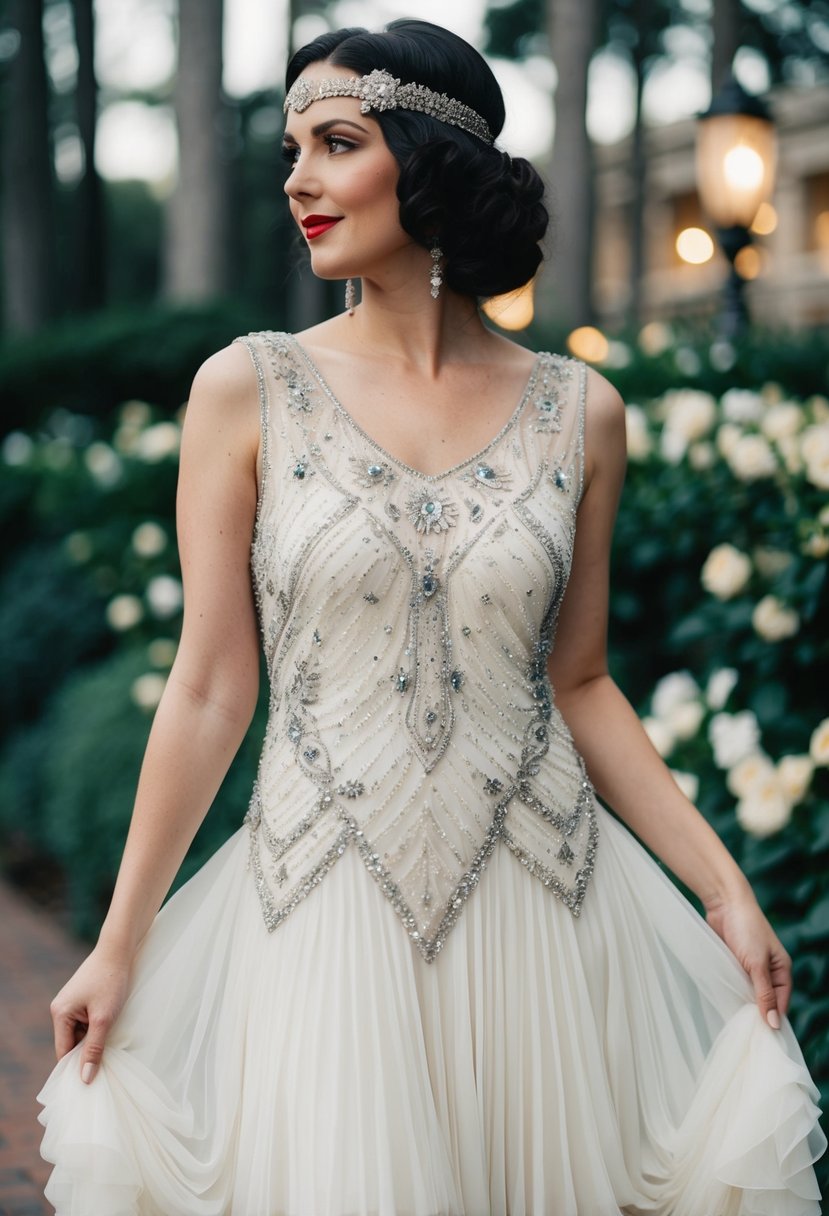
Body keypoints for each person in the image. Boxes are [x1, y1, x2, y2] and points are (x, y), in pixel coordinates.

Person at [38, 18, 824, 1216]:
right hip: (321, 915)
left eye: (336, 142)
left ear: (429, 162)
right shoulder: (247, 389)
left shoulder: (583, 410)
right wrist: (120, 938)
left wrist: (724, 887)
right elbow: (209, 685)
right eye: (291, 147)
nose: (297, 177)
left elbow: (582, 681)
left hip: (546, 915)